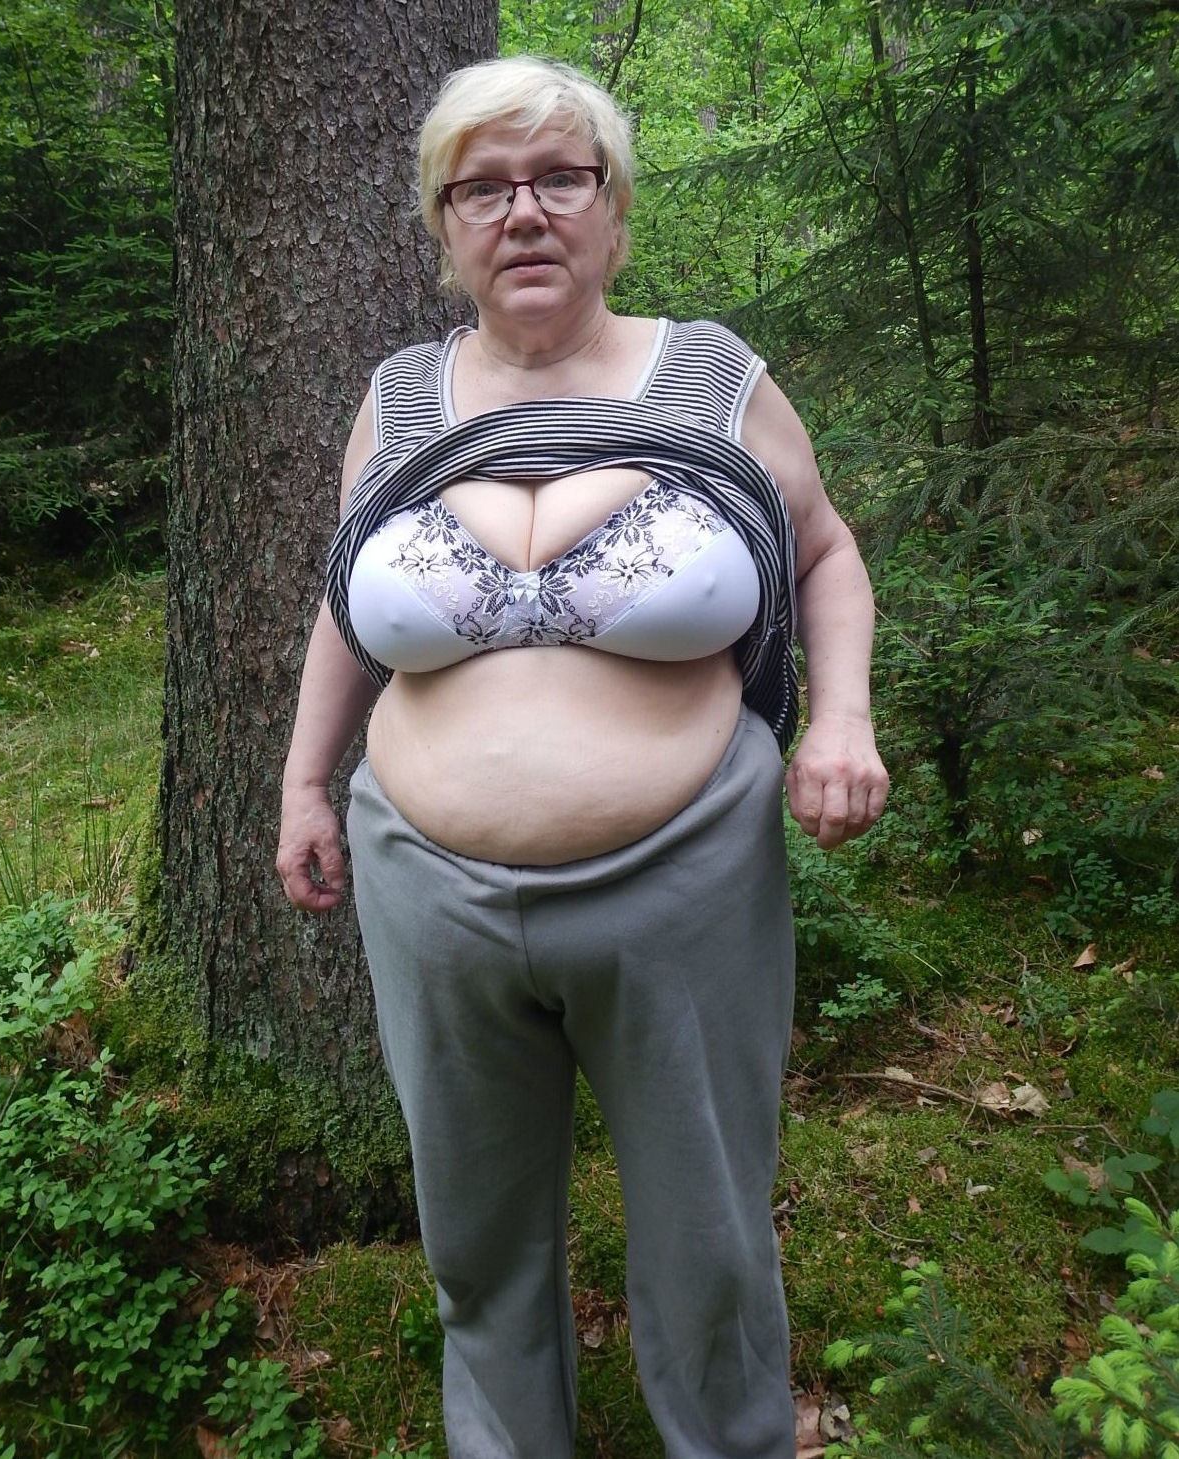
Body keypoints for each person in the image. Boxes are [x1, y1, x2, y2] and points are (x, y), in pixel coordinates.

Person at [277, 54, 888, 1459]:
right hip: (427, 891)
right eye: (482, 189)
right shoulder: (400, 398)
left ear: (613, 211)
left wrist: (842, 719)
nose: (524, 213)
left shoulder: (712, 376)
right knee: (475, 1238)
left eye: (561, 178)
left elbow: (824, 551)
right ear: (444, 228)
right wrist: (305, 782)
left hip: (686, 883)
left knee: (710, 1234)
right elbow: (346, 601)